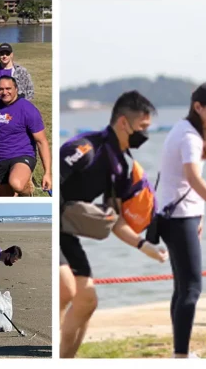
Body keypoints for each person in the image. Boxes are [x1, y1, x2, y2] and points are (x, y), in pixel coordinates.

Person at [58, 90, 170, 358]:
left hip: (66, 233)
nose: (145, 134)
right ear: (123, 123)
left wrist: (145, 246)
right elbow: (48, 185)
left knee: (87, 301)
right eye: (142, 127)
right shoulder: (85, 149)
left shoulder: (122, 166)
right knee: (65, 287)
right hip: (49, 224)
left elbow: (115, 218)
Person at [154, 81, 206, 358]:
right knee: (192, 288)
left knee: (182, 288)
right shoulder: (190, 136)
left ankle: (180, 353)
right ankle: (181, 356)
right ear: (198, 107)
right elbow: (193, 177)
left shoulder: (186, 129)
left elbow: (183, 183)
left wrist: (200, 215)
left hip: (180, 216)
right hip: (179, 218)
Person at [0, 76, 51, 196]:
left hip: (21, 154)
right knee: (7, 199)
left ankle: (28, 191)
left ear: (16, 89)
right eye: (0, 89)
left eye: (8, 88)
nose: (4, 92)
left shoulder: (27, 109)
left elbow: (42, 141)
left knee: (16, 183)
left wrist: (47, 173)